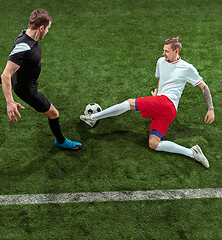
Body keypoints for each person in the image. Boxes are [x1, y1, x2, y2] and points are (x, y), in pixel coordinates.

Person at [80, 37, 215, 168]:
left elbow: (204, 86)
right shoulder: (161, 61)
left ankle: (92, 118)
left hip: (167, 104)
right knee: (154, 144)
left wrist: (210, 109)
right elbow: (161, 79)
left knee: (129, 103)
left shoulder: (187, 68)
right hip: (166, 108)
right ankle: (192, 152)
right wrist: (158, 94)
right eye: (164, 50)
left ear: (176, 51)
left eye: (167, 51)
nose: (164, 53)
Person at [0, 9, 82, 150]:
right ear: (41, 27)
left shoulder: (26, 33)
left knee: (18, 74)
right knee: (53, 113)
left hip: (25, 78)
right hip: (27, 90)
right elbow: (6, 75)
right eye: (48, 28)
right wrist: (9, 102)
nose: (47, 32)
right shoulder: (23, 46)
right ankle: (61, 140)